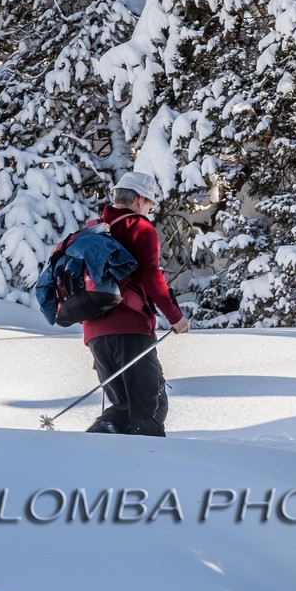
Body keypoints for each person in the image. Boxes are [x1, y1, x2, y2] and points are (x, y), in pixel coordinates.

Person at [83, 171, 189, 436]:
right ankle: (148, 468)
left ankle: (101, 454)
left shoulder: (94, 230)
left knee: (124, 408)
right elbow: (152, 277)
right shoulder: (139, 228)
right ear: (140, 200)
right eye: (150, 205)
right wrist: (175, 317)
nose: (150, 211)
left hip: (95, 333)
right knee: (148, 410)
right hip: (130, 328)